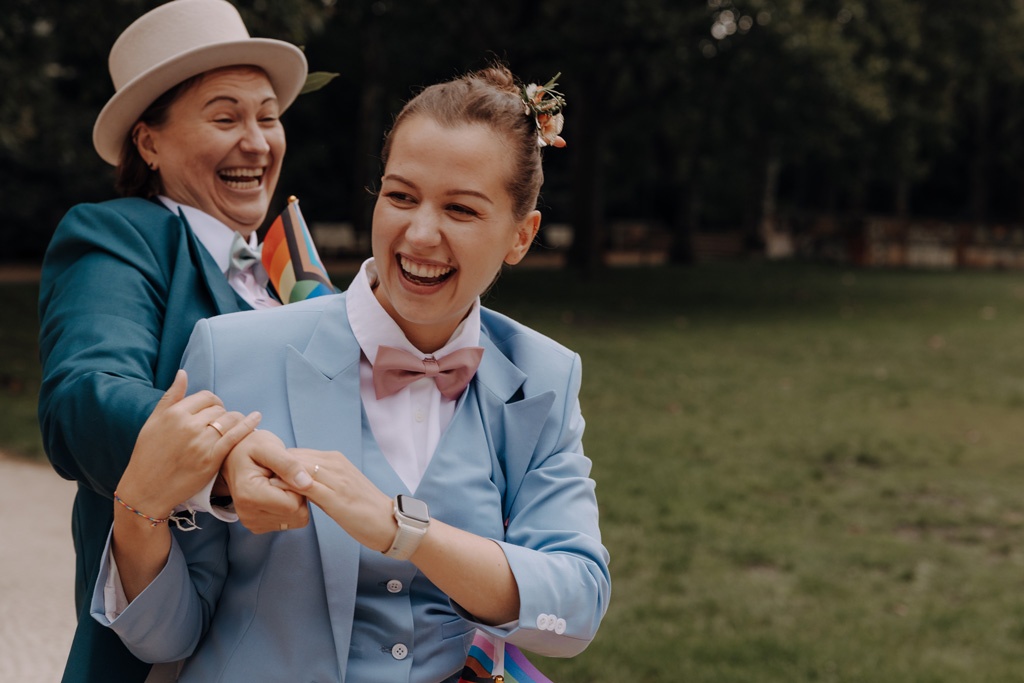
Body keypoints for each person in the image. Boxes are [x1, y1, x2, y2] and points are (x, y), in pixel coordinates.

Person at [91, 64, 611, 681]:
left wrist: (403, 531)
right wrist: (137, 511)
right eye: (400, 196)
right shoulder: (229, 353)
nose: (420, 234)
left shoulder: (544, 377)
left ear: (520, 236)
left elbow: (575, 606)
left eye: (461, 210)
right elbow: (169, 634)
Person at [37, 1, 315, 680]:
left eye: (268, 116)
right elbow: (86, 393)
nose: (256, 141)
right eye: (225, 117)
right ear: (149, 142)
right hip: (182, 642)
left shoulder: (292, 262)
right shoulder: (118, 235)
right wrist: (223, 461)